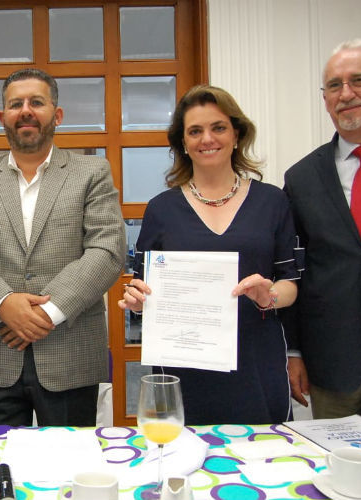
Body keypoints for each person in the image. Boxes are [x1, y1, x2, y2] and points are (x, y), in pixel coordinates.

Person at [0, 68, 125, 426]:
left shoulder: (92, 172)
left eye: (36, 102)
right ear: (3, 117)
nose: (25, 111)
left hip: (70, 352)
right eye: (16, 104)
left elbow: (107, 250)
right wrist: (4, 304)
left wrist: (46, 313)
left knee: (70, 457)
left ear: (57, 114)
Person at [119, 85, 299, 425]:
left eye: (218, 127)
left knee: (262, 453)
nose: (207, 139)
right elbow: (143, 288)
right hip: (183, 369)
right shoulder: (161, 209)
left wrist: (269, 296)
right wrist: (137, 301)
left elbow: (290, 283)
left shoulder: (272, 201)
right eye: (195, 131)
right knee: (180, 451)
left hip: (256, 363)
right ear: (183, 143)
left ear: (236, 134)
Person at [283, 39, 361, 419]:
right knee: (336, 457)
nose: (345, 94)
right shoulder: (301, 178)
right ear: (325, 99)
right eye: (334, 85)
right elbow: (293, 270)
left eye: (358, 80)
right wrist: (293, 351)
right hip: (332, 362)